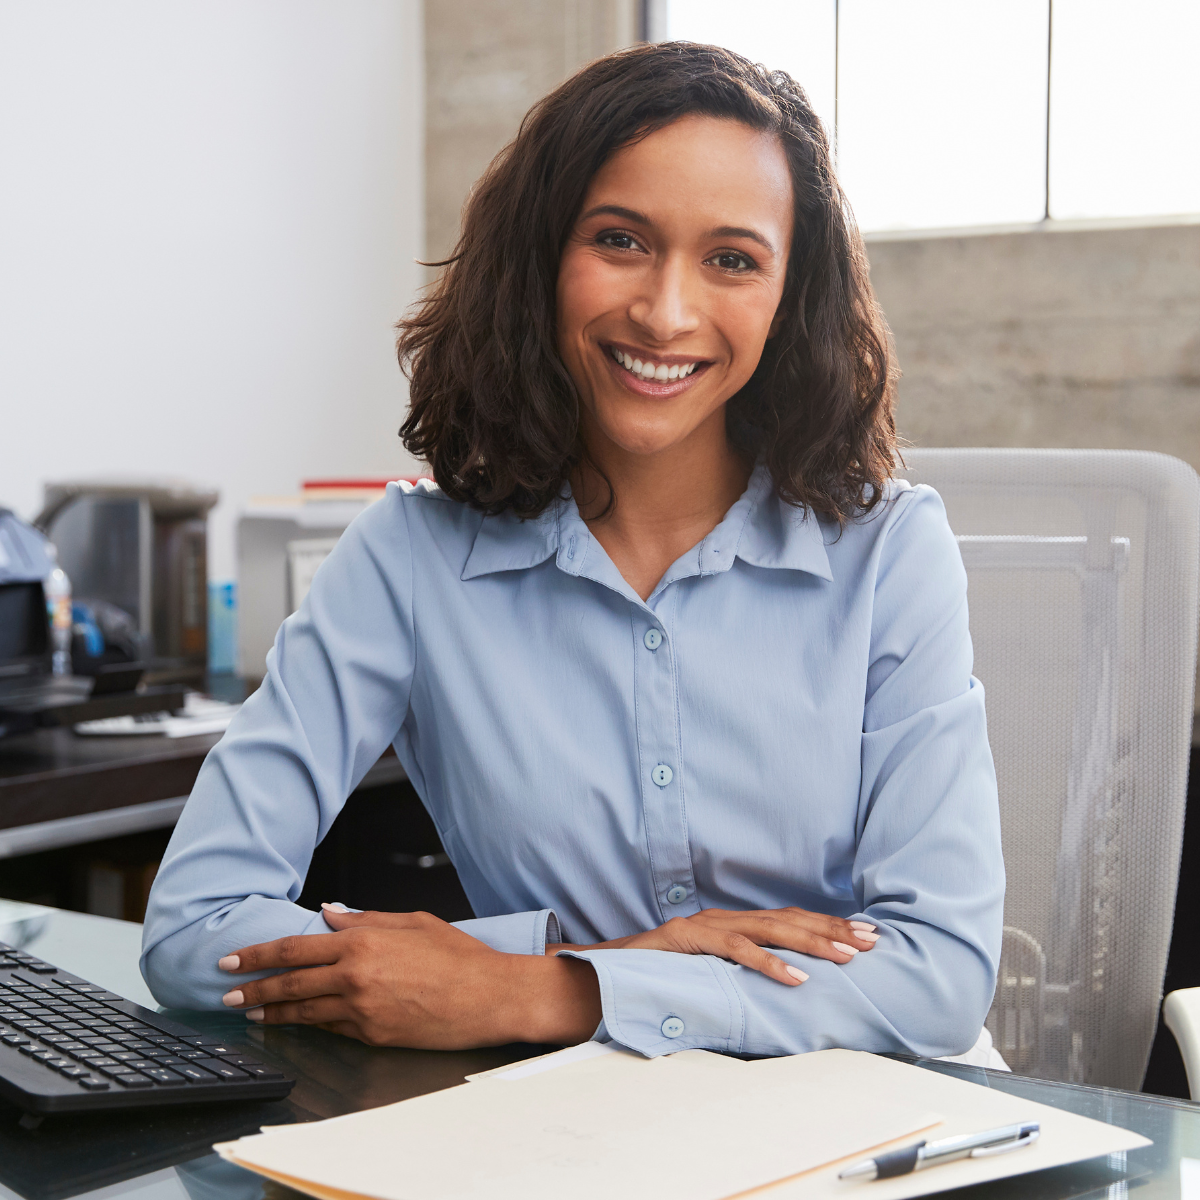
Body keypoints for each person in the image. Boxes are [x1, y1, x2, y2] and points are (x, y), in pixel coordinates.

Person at [141, 42, 1004, 1061]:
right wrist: (619, 965)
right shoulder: (411, 557)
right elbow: (195, 931)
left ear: (789, 297)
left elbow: (939, 979)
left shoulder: (889, 552)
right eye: (621, 239)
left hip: (882, 1128)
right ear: (541, 256)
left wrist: (551, 990)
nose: (666, 312)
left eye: (732, 259)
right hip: (579, 1133)